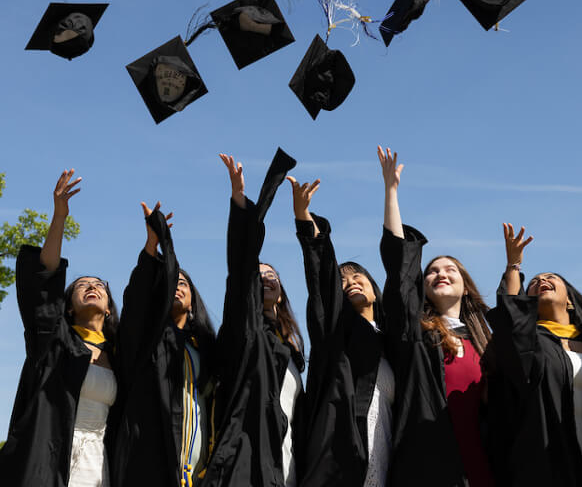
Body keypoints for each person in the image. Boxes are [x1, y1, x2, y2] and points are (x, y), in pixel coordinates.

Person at [0, 169, 119, 487]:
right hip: (51, 456)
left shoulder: (121, 354)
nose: (91, 286)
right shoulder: (56, 343)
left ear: (109, 307)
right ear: (69, 306)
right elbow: (45, 275)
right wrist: (59, 216)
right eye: (82, 285)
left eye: (99, 285)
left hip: (100, 462)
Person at [377, 147, 493, 487]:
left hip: (480, 465)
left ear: (466, 286)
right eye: (431, 271)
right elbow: (400, 269)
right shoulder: (415, 335)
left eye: (450, 269)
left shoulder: (485, 344)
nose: (440, 274)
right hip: (427, 465)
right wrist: (391, 192)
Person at [201, 150, 305, 487]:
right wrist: (240, 200)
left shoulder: (292, 349)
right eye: (258, 275)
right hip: (247, 463)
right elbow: (241, 267)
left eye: (271, 273)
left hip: (288, 463)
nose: (265, 277)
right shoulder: (243, 332)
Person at [285, 174, 394, 487]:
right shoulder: (338, 332)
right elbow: (322, 283)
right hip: (341, 463)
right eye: (343, 280)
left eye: (358, 275)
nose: (351, 282)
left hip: (386, 463)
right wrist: (306, 222)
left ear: (375, 288)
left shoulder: (392, 343)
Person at [484, 222, 582, 487]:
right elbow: (512, 324)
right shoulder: (529, 343)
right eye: (533, 283)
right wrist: (513, 266)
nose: (541, 281)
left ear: (570, 299)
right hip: (546, 457)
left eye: (550, 278)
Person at [108, 201, 217, 487]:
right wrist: (152, 246)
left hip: (197, 461)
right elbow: (136, 303)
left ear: (194, 299)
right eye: (173, 282)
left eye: (185, 284)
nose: (178, 287)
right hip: (150, 457)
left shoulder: (204, 347)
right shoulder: (148, 340)